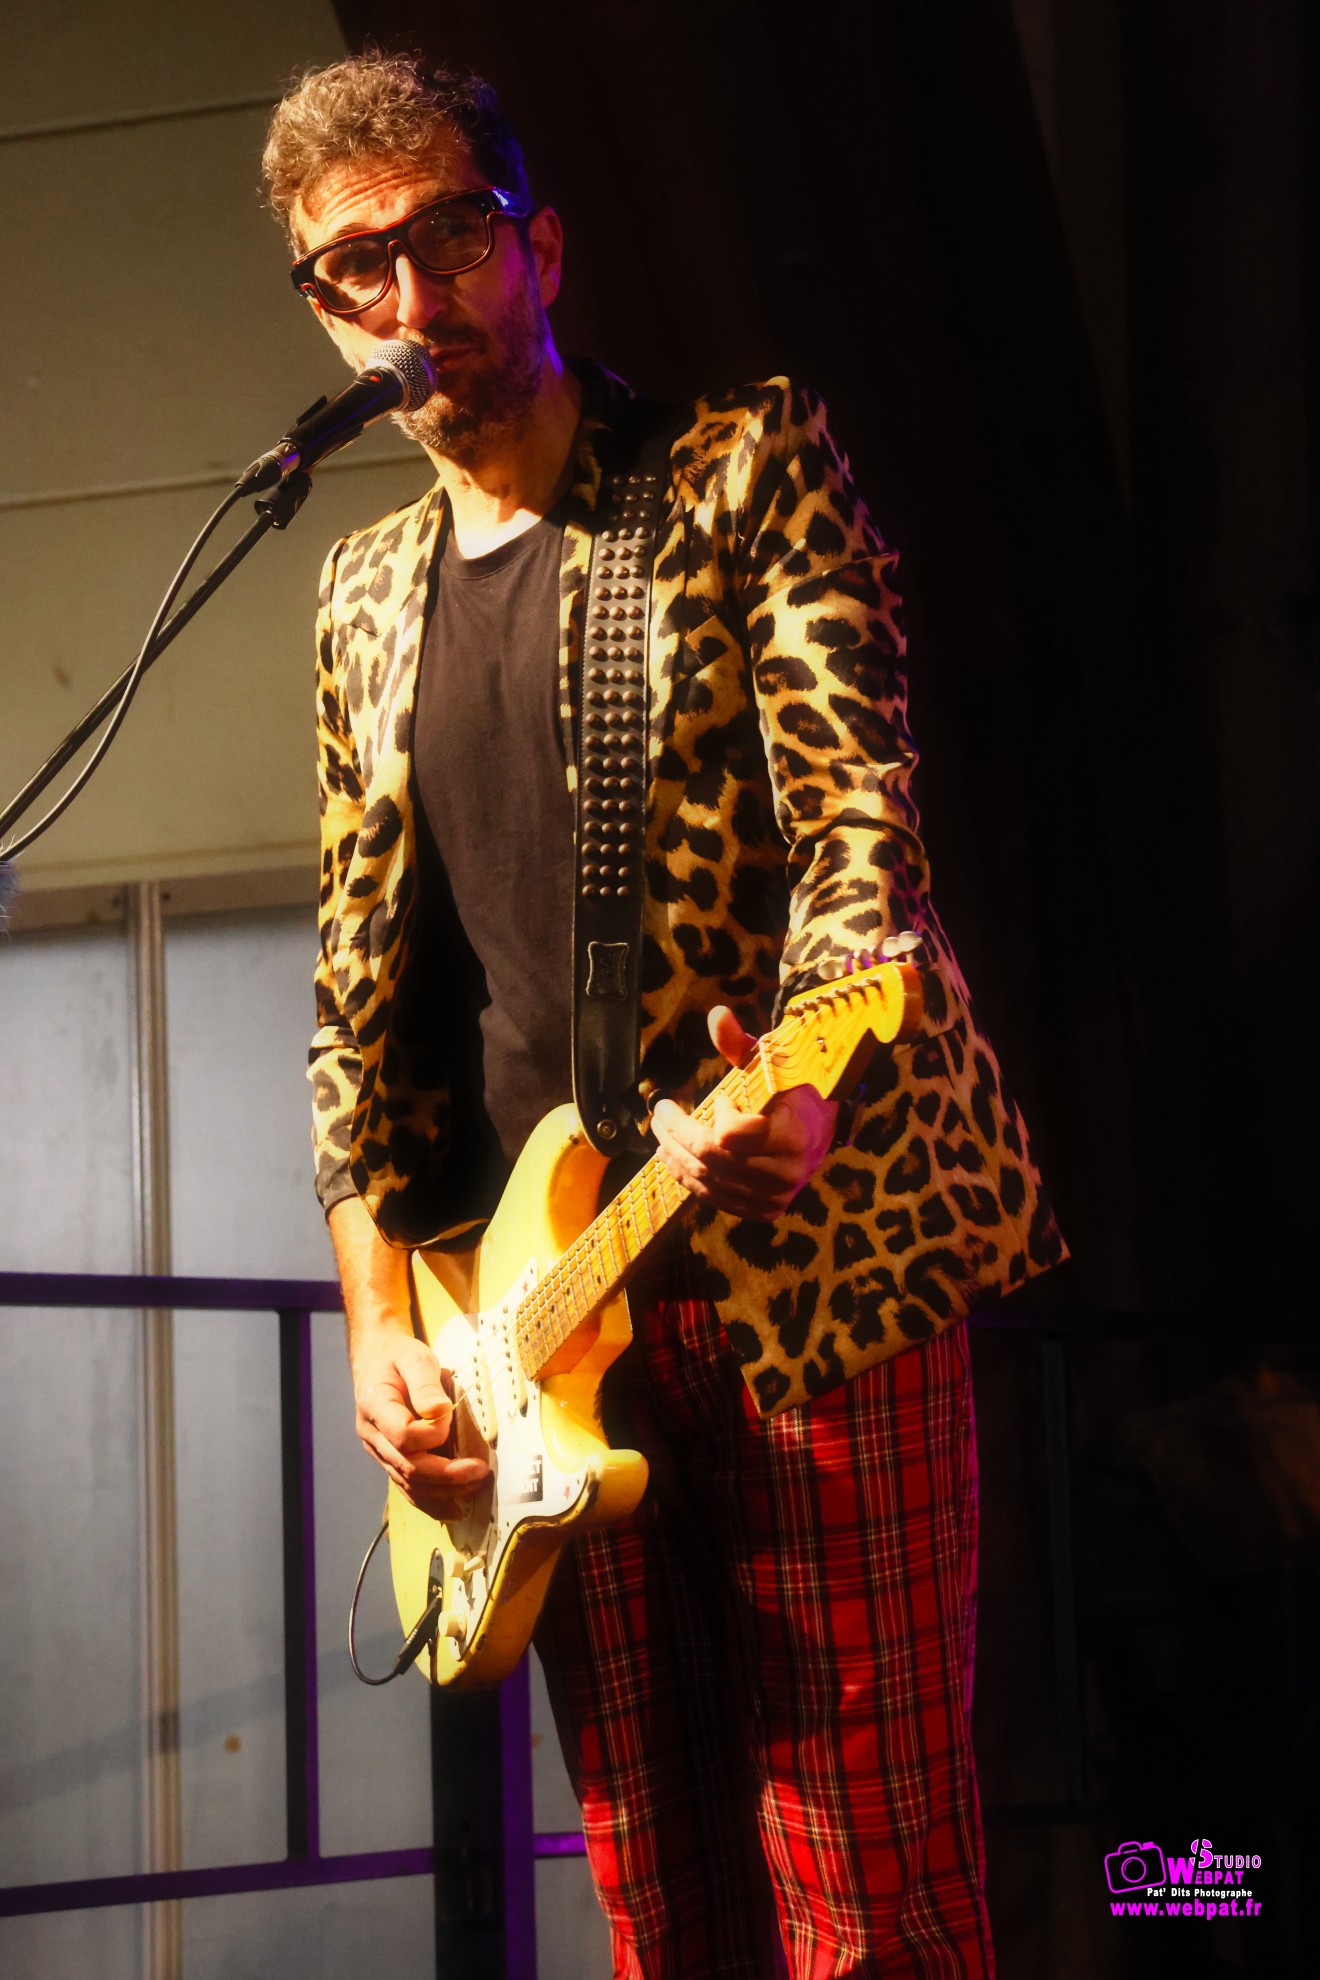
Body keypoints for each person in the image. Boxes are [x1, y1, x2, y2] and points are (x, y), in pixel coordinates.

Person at [263, 50, 1066, 1979]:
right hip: (543, 1326)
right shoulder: (360, 598)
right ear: (322, 309)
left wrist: (816, 1079)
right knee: (658, 1892)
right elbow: (356, 1013)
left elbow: (860, 826)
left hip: (810, 1272)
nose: (412, 297)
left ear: (540, 249)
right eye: (357, 266)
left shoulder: (736, 471)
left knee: (868, 1893)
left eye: (452, 238)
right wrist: (386, 1325)